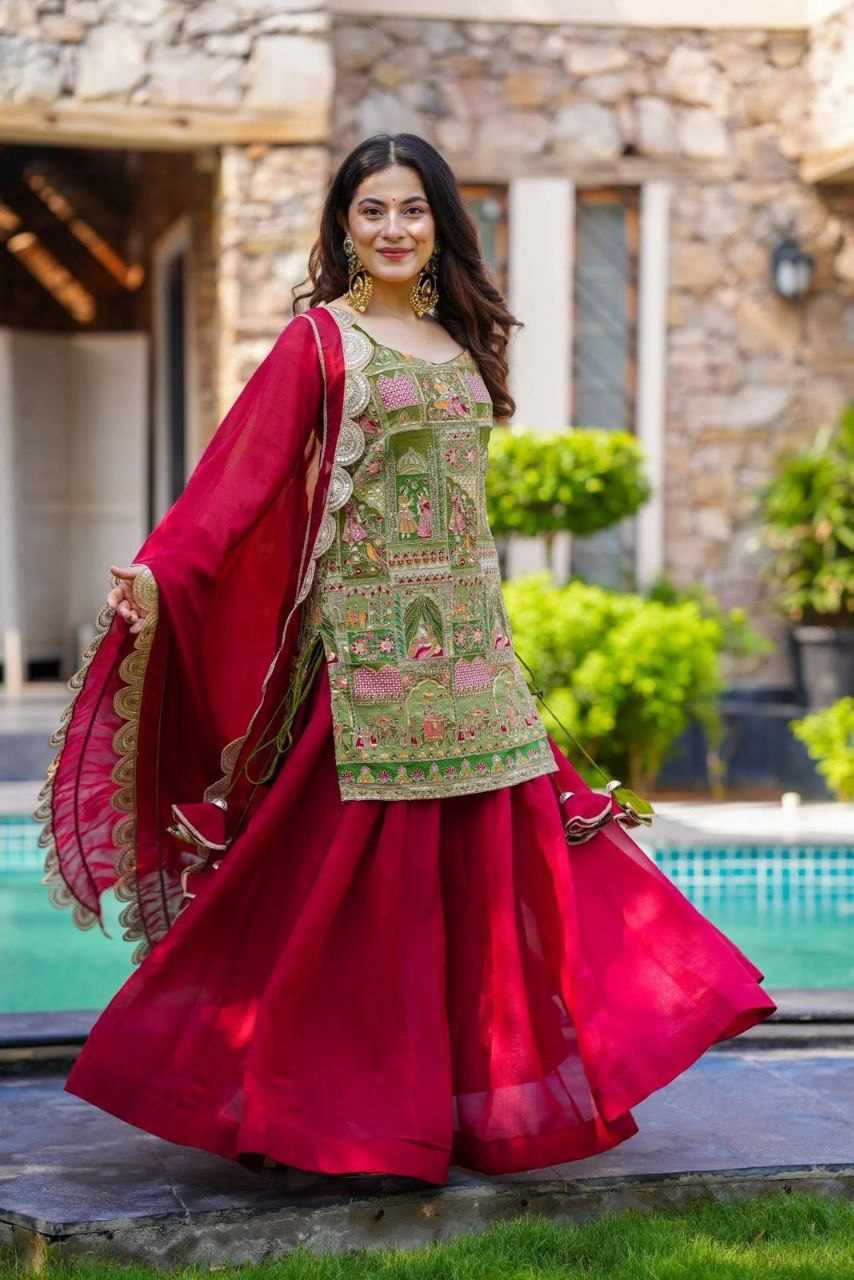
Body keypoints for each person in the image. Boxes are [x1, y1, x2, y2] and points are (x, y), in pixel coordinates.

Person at [36, 133, 775, 1190]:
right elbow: (240, 477)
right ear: (344, 224)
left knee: (507, 887)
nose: (393, 228)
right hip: (364, 666)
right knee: (347, 904)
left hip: (473, 660)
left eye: (412, 209)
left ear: (439, 225)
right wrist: (163, 573)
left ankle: (474, 1107)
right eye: (372, 209)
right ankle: (332, 1116)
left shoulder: (457, 339)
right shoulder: (318, 343)